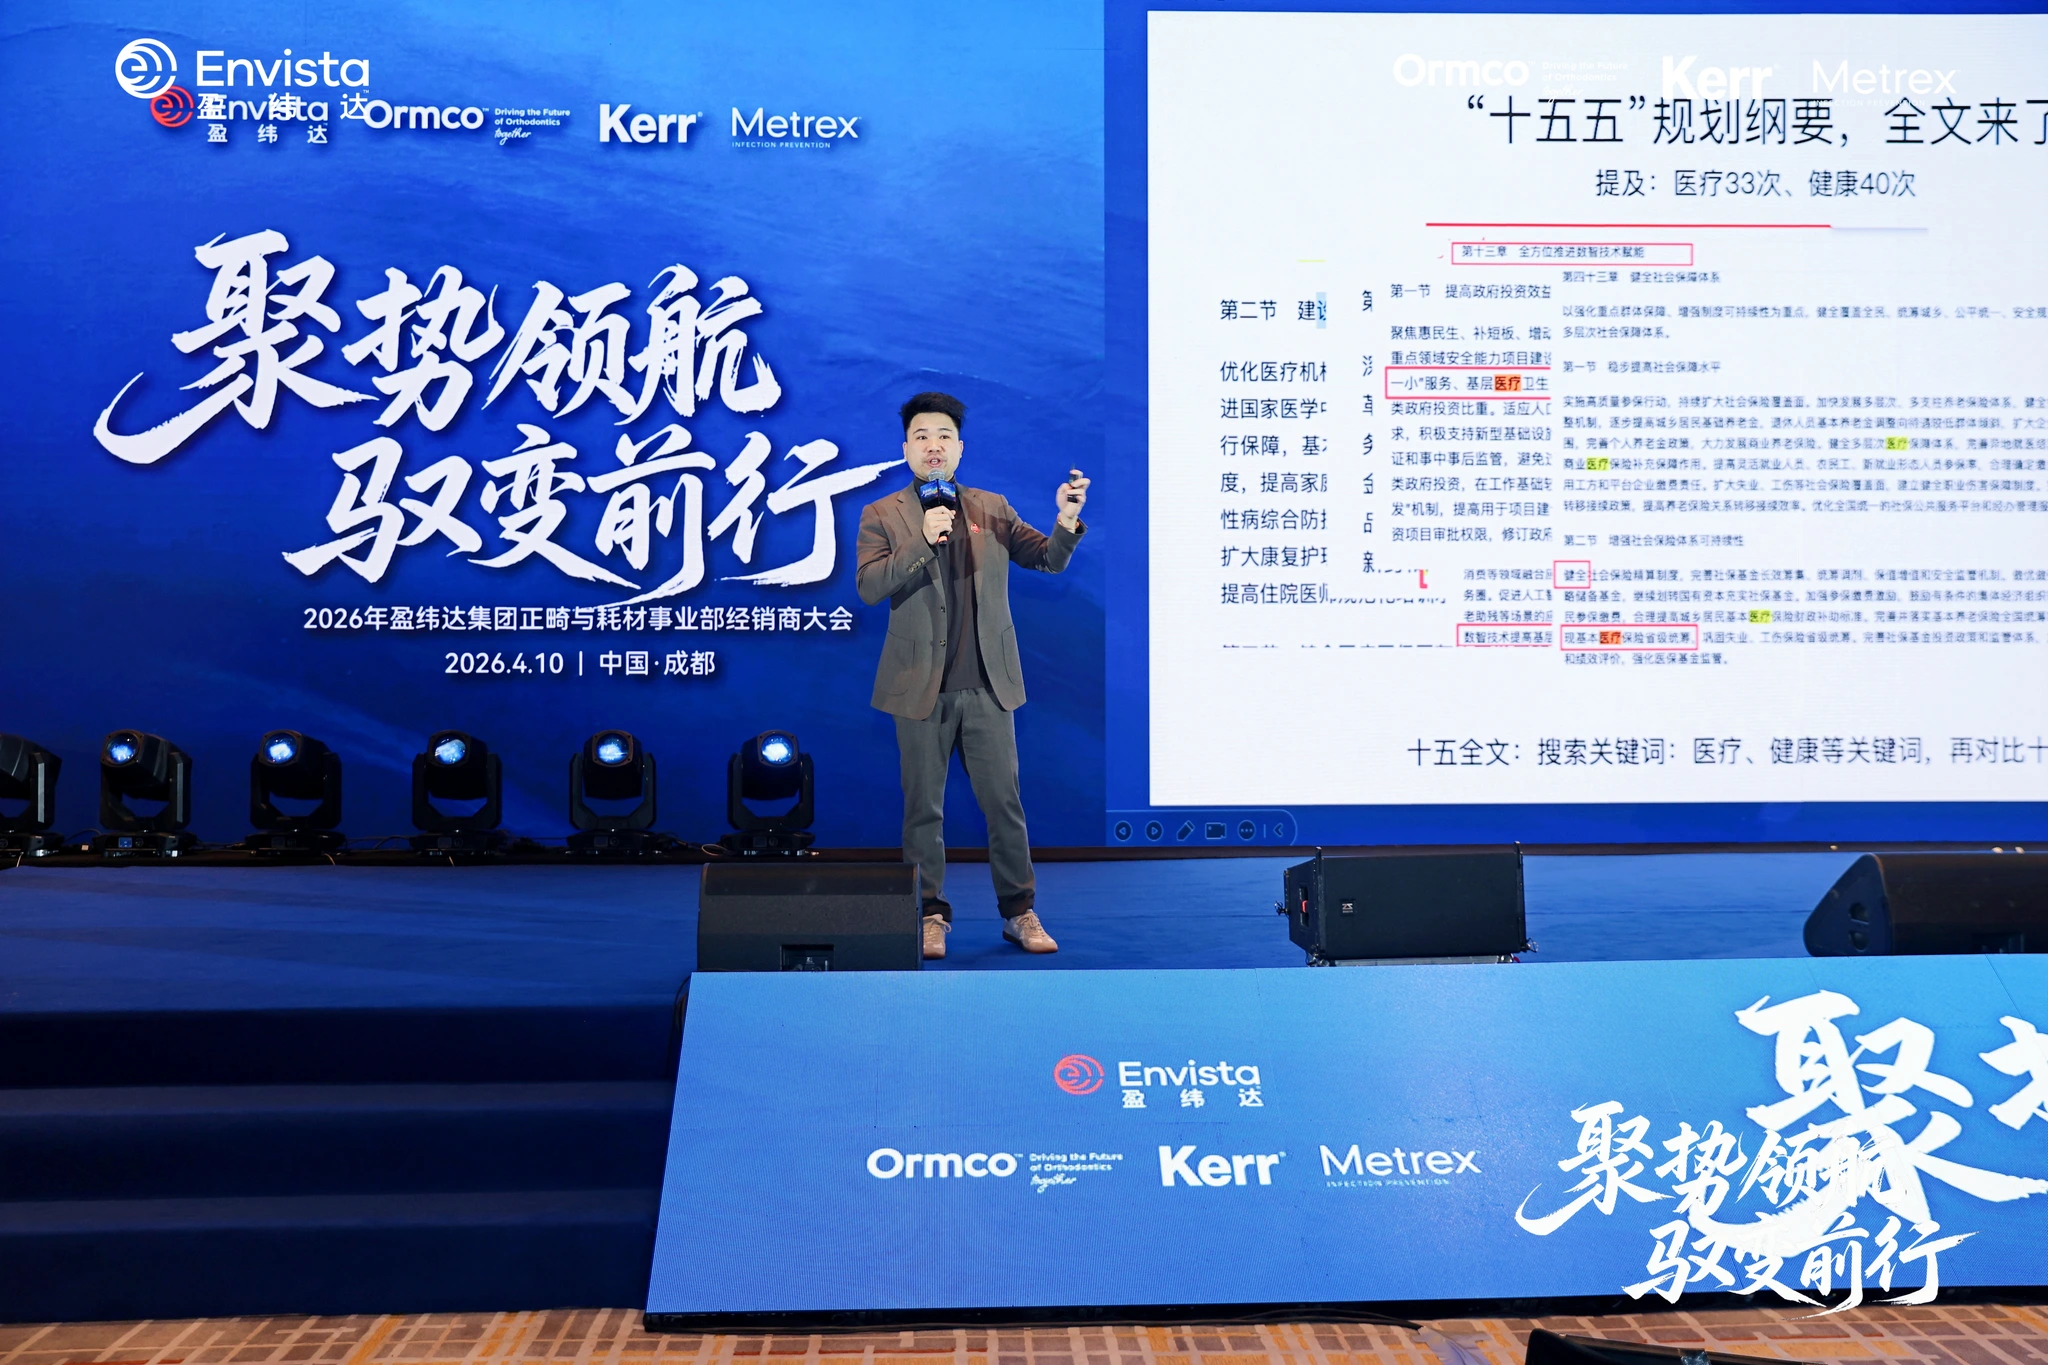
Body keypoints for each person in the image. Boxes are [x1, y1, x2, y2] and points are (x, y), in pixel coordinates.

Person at [855, 392, 1089, 959]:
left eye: (943, 436)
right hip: (919, 686)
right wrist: (923, 538)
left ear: (960, 448)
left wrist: (1065, 520)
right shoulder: (882, 514)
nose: (933, 446)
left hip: (988, 684)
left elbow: (1048, 558)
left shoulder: (992, 507)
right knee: (923, 811)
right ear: (906, 449)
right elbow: (869, 587)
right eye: (921, 437)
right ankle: (929, 915)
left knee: (1004, 805)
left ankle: (1019, 911)